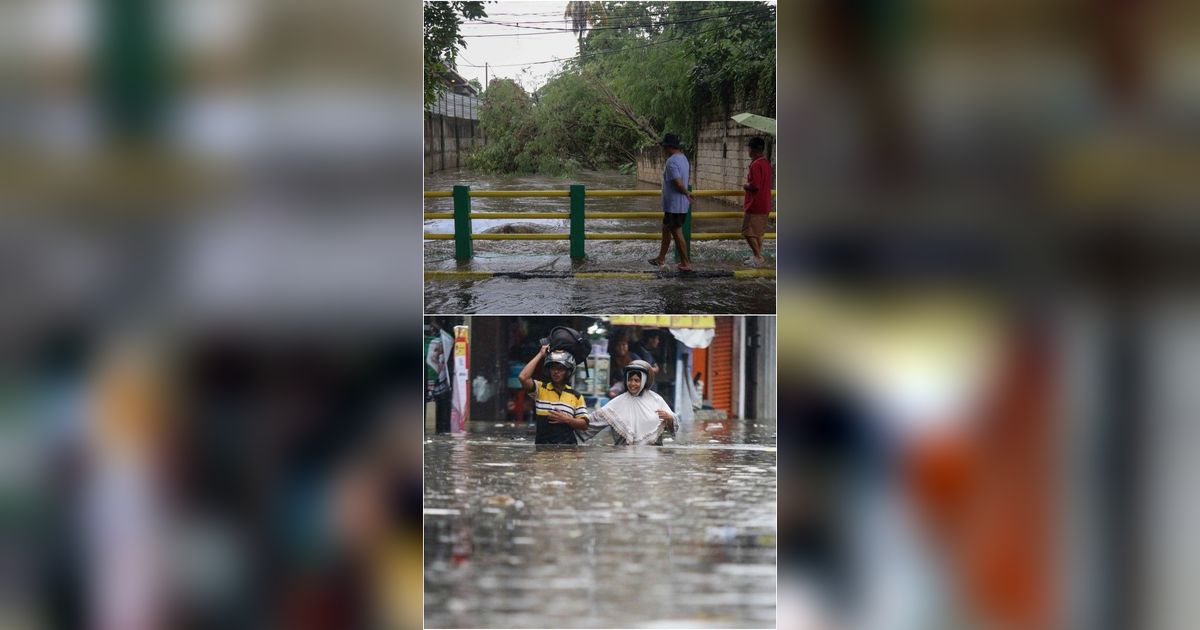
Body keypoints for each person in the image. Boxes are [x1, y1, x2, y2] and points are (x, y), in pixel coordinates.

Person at [563, 361, 677, 445]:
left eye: (637, 380)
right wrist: (569, 422)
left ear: (644, 381)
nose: (632, 384)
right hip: (624, 458)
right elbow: (593, 422)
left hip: (652, 461)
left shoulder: (656, 400)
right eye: (630, 380)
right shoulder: (617, 403)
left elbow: (674, 425)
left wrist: (670, 418)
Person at [518, 344, 588, 444]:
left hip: (568, 452)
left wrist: (567, 419)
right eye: (553, 368)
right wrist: (540, 354)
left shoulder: (576, 396)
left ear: (568, 372)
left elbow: (584, 424)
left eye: (560, 369)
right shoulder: (541, 389)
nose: (556, 372)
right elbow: (523, 377)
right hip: (542, 452)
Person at [648, 133, 695, 272]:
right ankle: (661, 258)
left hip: (675, 205)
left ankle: (685, 264)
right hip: (675, 205)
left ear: (669, 147)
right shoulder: (684, 158)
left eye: (664, 147)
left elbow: (678, 182)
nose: (663, 150)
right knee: (666, 229)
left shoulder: (672, 162)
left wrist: (687, 192)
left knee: (676, 232)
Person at [741, 136, 774, 267]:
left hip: (755, 204)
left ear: (752, 149)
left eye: (748, 148)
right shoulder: (765, 162)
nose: (748, 151)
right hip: (765, 203)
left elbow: (755, 185)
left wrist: (746, 186)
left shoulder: (756, 165)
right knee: (758, 233)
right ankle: (757, 257)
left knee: (748, 232)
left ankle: (758, 257)